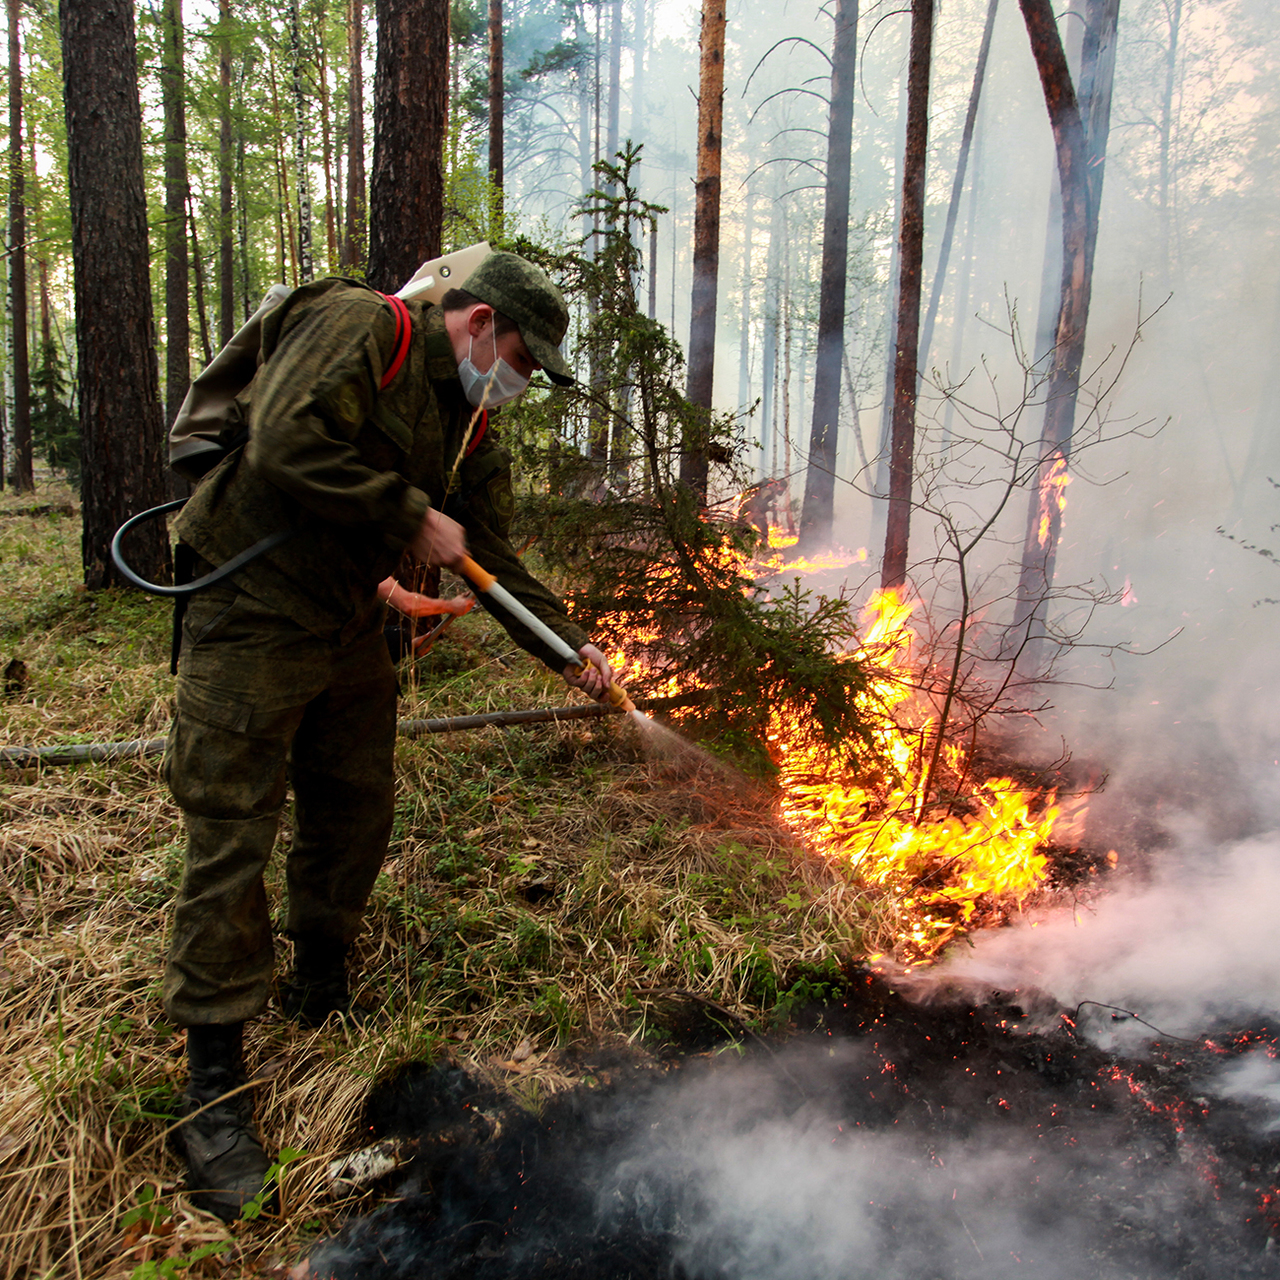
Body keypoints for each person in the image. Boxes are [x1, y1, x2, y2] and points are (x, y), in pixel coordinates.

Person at [163, 251, 611, 1221]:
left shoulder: (470, 421)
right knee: (231, 827)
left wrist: (569, 645)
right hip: (249, 599)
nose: (519, 383)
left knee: (356, 798)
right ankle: (212, 1090)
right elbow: (284, 438)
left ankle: (318, 981)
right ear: (480, 321)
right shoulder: (366, 327)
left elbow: (487, 547)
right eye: (522, 360)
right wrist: (409, 515)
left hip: (341, 616)